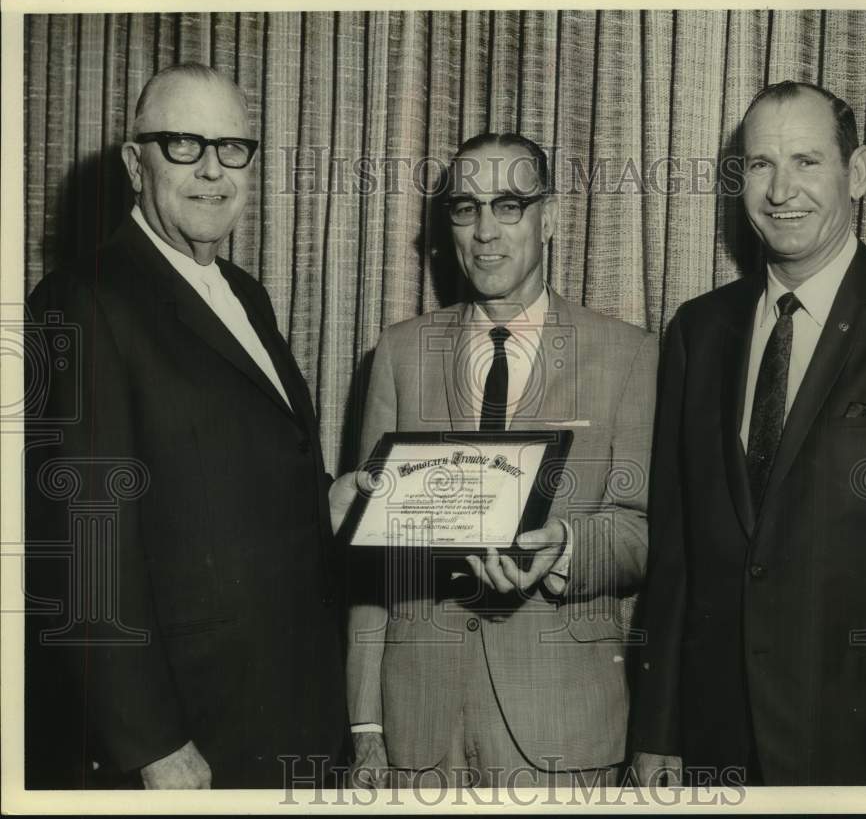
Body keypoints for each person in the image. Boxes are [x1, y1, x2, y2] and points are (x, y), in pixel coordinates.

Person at [629, 81, 866, 786]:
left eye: (807, 162)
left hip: (865, 747)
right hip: (713, 741)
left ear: (863, 173)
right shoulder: (698, 331)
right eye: (760, 165)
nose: (781, 190)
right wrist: (658, 730)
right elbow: (676, 556)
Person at [24, 63, 361, 789]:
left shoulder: (244, 293)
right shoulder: (82, 300)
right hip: (190, 733)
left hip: (289, 708)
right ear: (133, 162)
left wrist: (326, 502)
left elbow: (232, 476)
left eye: (233, 147)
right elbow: (84, 544)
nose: (213, 170)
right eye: (183, 144)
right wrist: (151, 743)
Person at [346, 133, 658, 788]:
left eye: (509, 205)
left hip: (562, 729)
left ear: (551, 218)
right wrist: (365, 725)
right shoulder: (399, 355)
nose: (485, 231)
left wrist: (566, 547)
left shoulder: (627, 355)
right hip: (418, 730)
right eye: (466, 207)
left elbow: (639, 530)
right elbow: (370, 556)